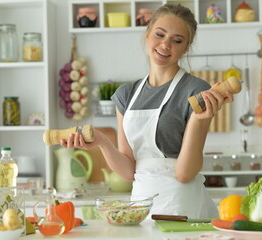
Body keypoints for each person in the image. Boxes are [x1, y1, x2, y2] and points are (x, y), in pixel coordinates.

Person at [60, 4, 234, 218]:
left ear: (186, 47)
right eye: (159, 34)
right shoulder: (126, 94)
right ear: (147, 34)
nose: (165, 45)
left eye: (177, 40)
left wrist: (198, 120)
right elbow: (128, 172)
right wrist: (102, 141)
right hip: (141, 208)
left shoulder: (196, 91)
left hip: (184, 207)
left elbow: (184, 173)